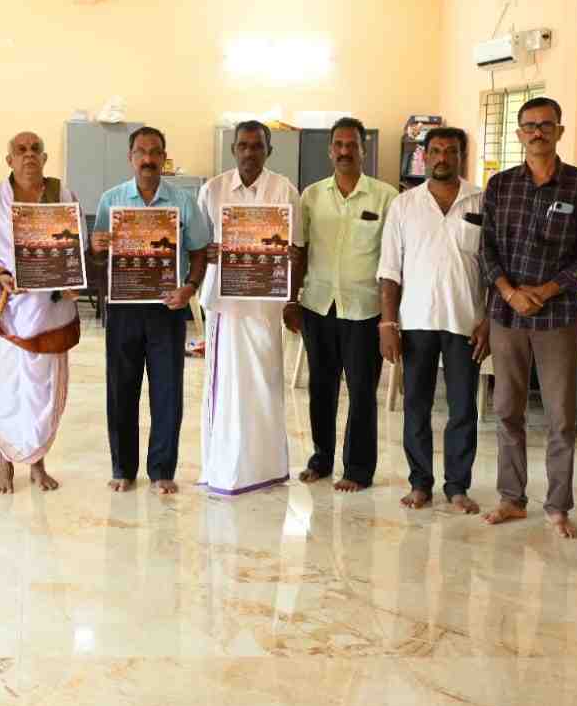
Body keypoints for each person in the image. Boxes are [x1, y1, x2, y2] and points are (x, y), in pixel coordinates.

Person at [479, 96, 577, 538]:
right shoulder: (500, 185)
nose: (538, 132)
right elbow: (486, 249)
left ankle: (558, 506)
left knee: (561, 417)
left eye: (546, 125)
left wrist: (548, 290)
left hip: (558, 317)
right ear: (519, 133)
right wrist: (509, 292)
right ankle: (511, 498)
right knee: (506, 410)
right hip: (507, 314)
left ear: (559, 131)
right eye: (530, 125)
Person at [92, 126, 211, 494]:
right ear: (130, 158)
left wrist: (190, 287)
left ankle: (162, 470)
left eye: (155, 152)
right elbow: (98, 259)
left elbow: (199, 252)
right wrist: (97, 247)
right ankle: (122, 468)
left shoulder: (183, 202)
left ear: (164, 158)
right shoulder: (111, 200)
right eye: (141, 152)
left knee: (167, 391)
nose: (148, 159)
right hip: (124, 308)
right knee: (121, 390)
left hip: (167, 308)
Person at [376, 126, 487, 513]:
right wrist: (387, 324)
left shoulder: (481, 200)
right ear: (424, 157)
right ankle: (420, 482)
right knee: (416, 406)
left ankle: (457, 486)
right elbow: (390, 270)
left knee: (463, 408)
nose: (442, 158)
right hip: (416, 321)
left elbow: (493, 267)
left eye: (450, 151)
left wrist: (488, 321)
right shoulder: (404, 205)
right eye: (435, 151)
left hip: (466, 321)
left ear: (461, 156)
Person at [0, 131, 83, 493]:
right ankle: (5, 462)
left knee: (44, 392)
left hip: (52, 312)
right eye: (21, 150)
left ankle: (38, 462)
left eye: (35, 149)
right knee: (9, 389)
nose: (29, 155)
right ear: (10, 160)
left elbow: (74, 246)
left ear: (45, 158)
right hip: (12, 311)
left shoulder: (62, 195)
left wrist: (73, 277)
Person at [290, 116, 398, 492]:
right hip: (318, 305)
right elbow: (300, 251)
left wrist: (389, 319)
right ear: (330, 150)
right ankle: (321, 459)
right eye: (338, 144)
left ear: (363, 150)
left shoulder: (386, 197)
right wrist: (291, 299)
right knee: (321, 388)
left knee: (362, 391)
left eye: (352, 145)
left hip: (364, 309)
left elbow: (393, 260)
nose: (344, 151)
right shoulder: (311, 196)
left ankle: (358, 469)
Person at [197, 120, 302, 496]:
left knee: (265, 383)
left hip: (266, 305)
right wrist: (207, 252)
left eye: (257, 146)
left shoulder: (284, 190)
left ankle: (266, 467)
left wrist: (292, 289)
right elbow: (197, 247)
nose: (249, 152)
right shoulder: (213, 190)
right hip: (226, 307)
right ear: (233, 150)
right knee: (226, 387)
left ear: (269, 150)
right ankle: (223, 467)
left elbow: (298, 248)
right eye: (242, 145)